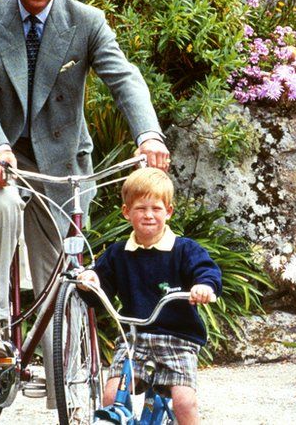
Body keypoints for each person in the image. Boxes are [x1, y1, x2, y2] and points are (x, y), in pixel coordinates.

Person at [0, 0, 169, 397]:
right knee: (0, 204)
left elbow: (125, 78)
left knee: (60, 271)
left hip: (61, 163)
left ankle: (63, 388)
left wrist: (148, 134)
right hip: (0, 155)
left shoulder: (86, 22)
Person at [77, 167, 222, 425]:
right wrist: (91, 282)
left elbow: (206, 270)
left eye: (156, 209)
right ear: (126, 212)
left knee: (184, 402)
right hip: (134, 338)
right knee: (112, 395)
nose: (149, 215)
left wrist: (204, 287)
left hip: (177, 340)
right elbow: (102, 285)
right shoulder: (118, 253)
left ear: (168, 212)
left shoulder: (184, 249)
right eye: (141, 208)